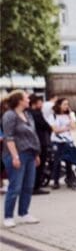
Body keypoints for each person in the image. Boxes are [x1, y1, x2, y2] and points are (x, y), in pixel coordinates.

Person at [2, 91, 41, 227]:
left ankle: (24, 213)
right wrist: (15, 156)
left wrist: (36, 154)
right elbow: (9, 137)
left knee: (28, 186)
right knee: (15, 186)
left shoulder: (28, 115)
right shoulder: (9, 115)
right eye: (26, 98)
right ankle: (8, 216)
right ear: (19, 101)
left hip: (30, 153)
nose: (29, 100)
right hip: (17, 154)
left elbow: (33, 135)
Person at [27, 95, 51, 195]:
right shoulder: (36, 114)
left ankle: (32, 185)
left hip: (34, 141)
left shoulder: (28, 113)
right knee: (39, 164)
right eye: (40, 102)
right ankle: (36, 185)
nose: (42, 104)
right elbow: (45, 125)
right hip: (40, 141)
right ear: (34, 103)